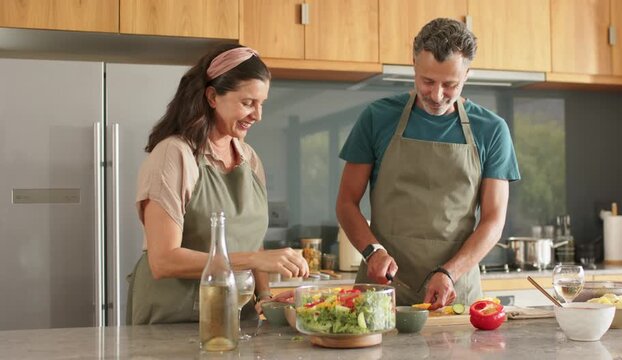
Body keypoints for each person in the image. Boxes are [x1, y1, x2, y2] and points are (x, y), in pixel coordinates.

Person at [336, 18, 520, 309]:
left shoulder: (492, 130)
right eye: (428, 81)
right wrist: (373, 252)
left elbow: (493, 220)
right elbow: (346, 202)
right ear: (414, 67)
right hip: (382, 290)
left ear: (467, 75)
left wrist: (450, 272)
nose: (437, 95)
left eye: (450, 85)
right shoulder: (377, 118)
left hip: (454, 292)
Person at [128, 44, 309, 325]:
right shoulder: (174, 154)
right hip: (175, 319)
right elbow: (163, 260)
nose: (258, 115)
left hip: (236, 317)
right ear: (212, 96)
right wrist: (253, 260)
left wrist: (264, 297)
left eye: (262, 104)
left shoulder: (249, 158)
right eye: (248, 102)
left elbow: (252, 241)